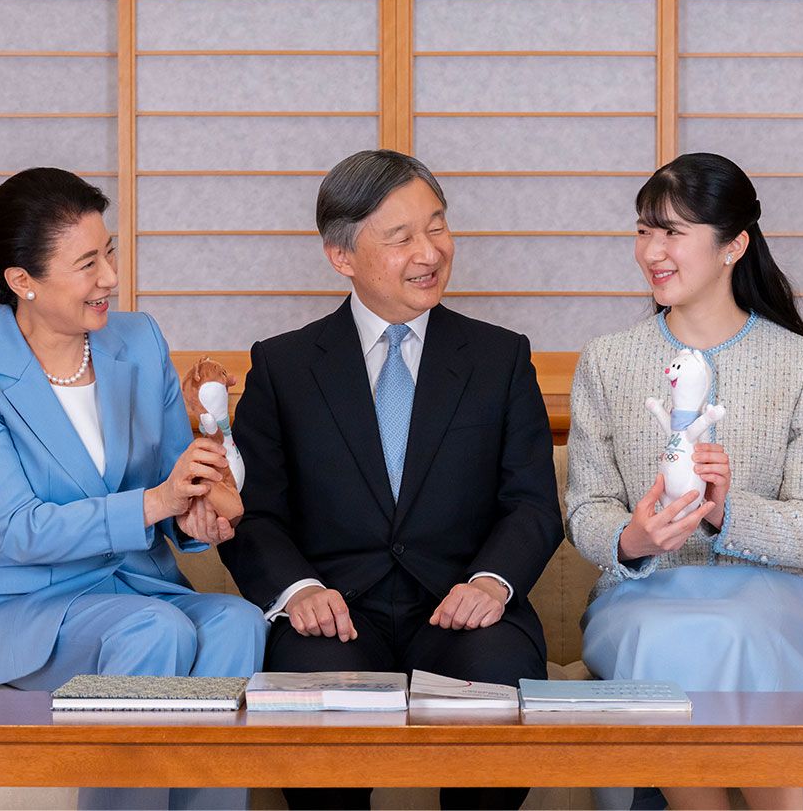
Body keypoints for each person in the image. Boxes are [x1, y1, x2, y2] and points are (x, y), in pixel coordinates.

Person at [219, 150, 564, 810]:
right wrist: (299, 591)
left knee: (497, 678)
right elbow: (254, 513)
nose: (429, 251)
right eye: (401, 236)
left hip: (465, 606)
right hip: (337, 614)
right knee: (311, 706)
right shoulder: (284, 365)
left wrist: (491, 582)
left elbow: (532, 505)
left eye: (437, 227)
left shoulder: (500, 357)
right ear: (341, 256)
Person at [0, 167, 266, 810]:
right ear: (22, 281)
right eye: (88, 263)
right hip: (27, 608)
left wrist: (191, 517)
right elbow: (18, 528)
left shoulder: (138, 342)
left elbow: (175, 484)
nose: (110, 276)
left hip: (138, 591)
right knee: (156, 631)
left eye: (108, 251)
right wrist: (156, 504)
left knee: (237, 623)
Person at [566, 153, 803, 811]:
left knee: (727, 632)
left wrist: (725, 515)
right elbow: (585, 509)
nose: (653, 251)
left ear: (734, 245)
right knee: (665, 638)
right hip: (640, 600)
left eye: (674, 233)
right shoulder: (607, 361)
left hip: (770, 601)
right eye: (643, 230)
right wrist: (632, 538)